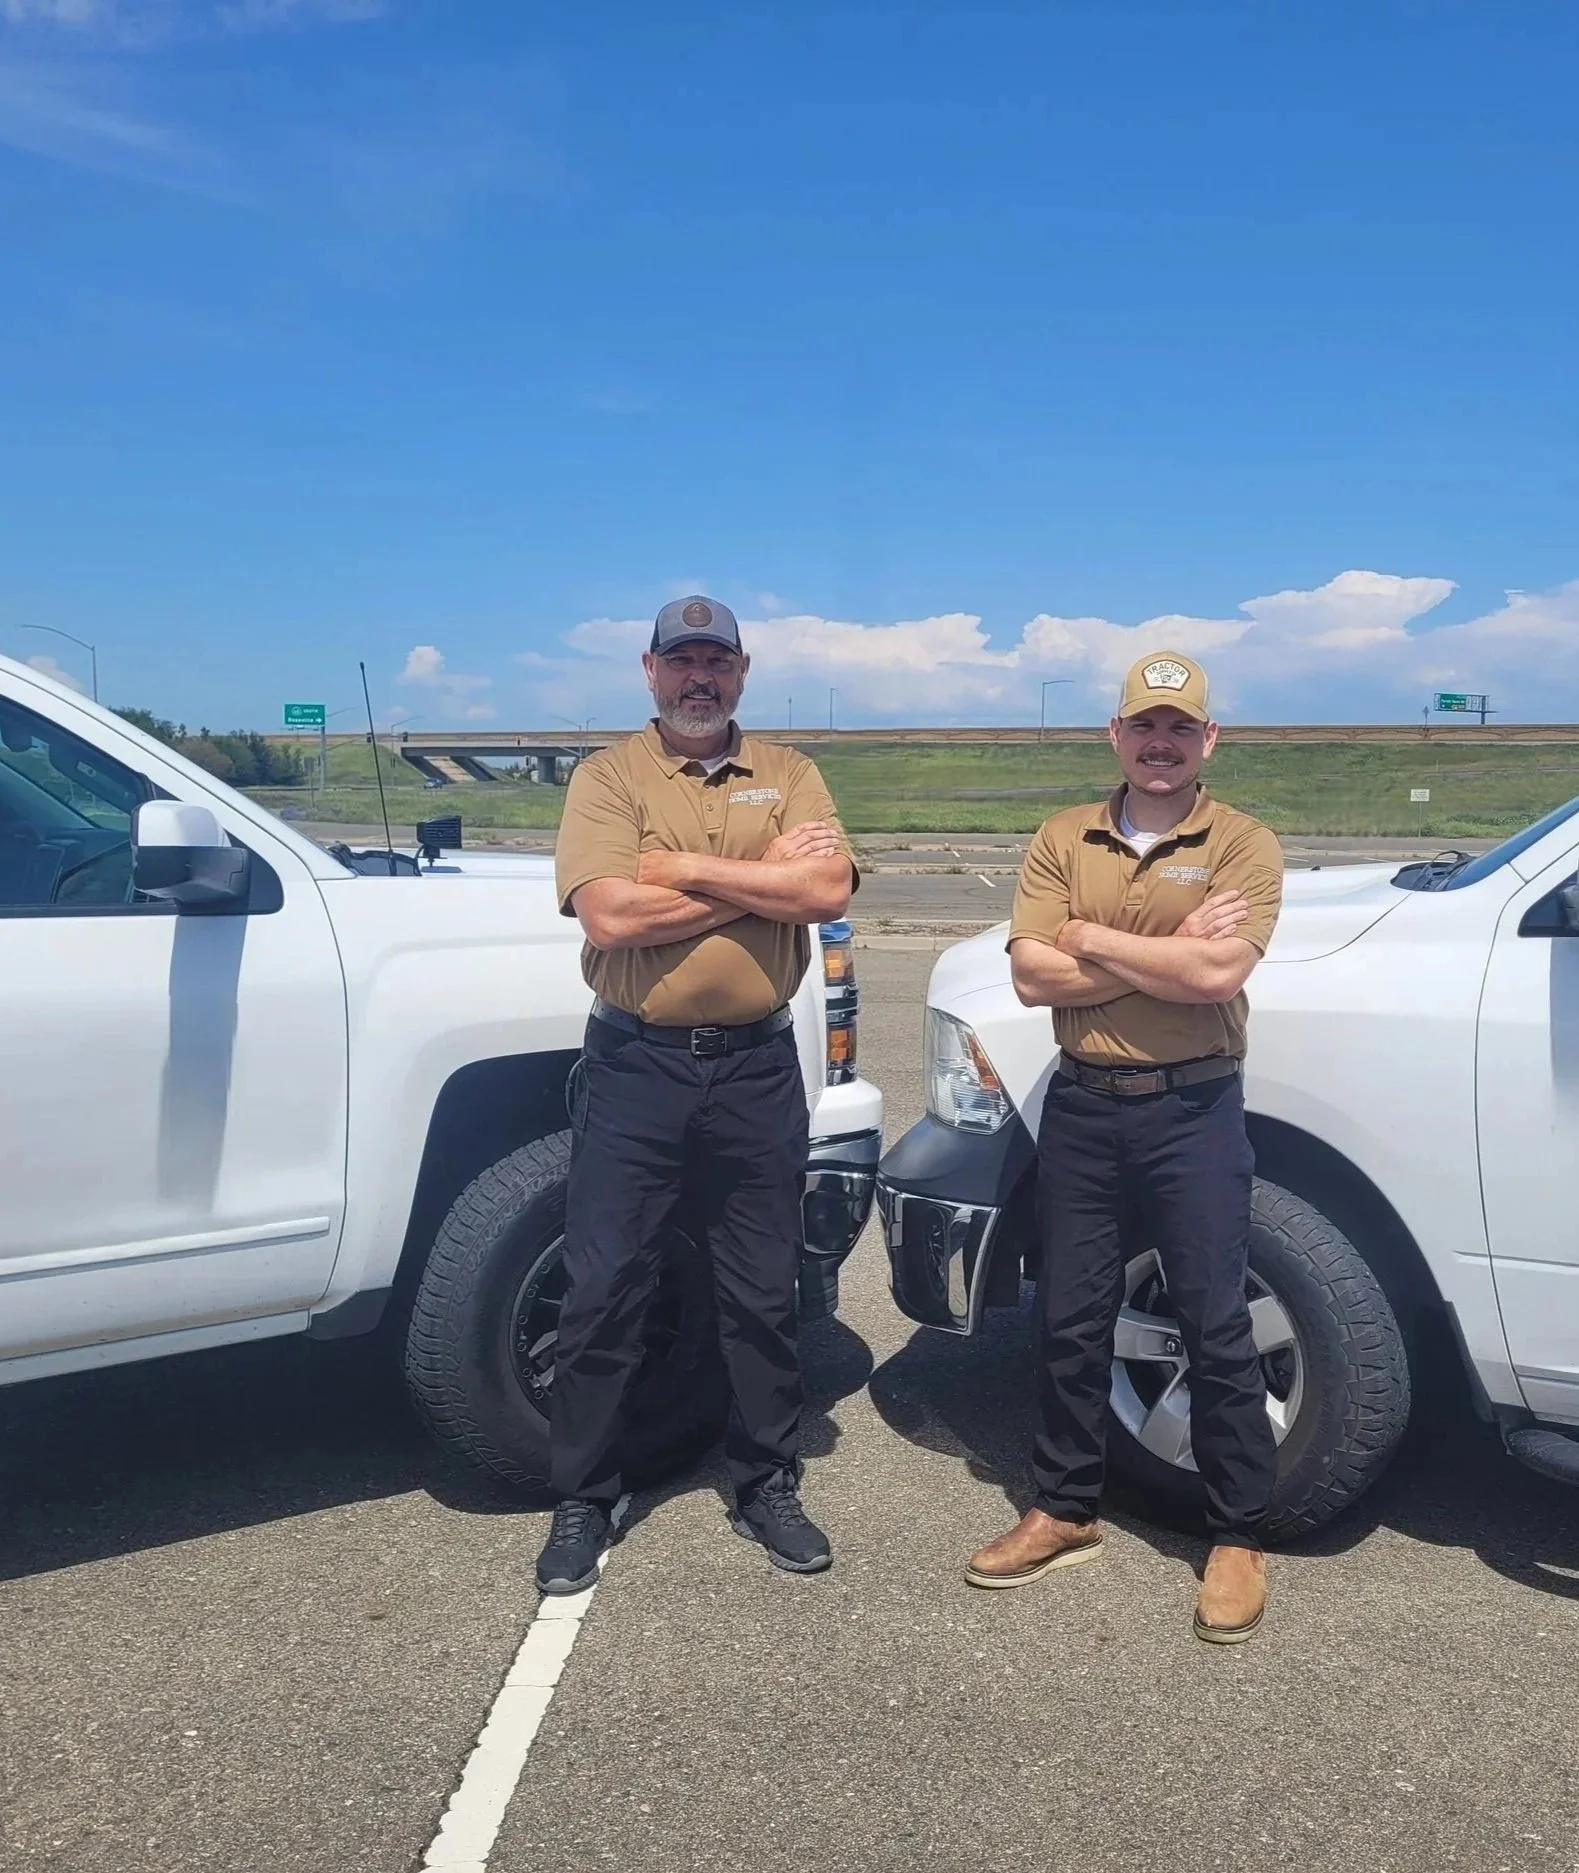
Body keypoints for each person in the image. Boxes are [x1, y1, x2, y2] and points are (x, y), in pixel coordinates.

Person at [537, 595, 857, 1594]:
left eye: (715, 661)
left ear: (742, 670)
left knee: (762, 1288)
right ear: (649, 670)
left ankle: (763, 1477)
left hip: (757, 1072)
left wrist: (684, 868)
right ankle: (586, 1493)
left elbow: (827, 893)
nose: (698, 678)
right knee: (603, 1288)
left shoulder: (789, 773)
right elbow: (612, 914)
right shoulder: (608, 777)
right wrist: (758, 873)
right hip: (638, 1069)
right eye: (682, 662)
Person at [966, 651, 1283, 1644]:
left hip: (1192, 1112)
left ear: (1207, 740)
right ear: (1115, 735)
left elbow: (1213, 973)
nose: (1160, 743)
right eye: (1143, 726)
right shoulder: (1065, 835)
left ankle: (1237, 1533)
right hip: (1085, 1107)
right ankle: (1064, 1507)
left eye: (1178, 727)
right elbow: (1027, 977)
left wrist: (1090, 938)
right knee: (1068, 1315)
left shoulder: (1242, 842)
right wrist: (1162, 948)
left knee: (1211, 1318)